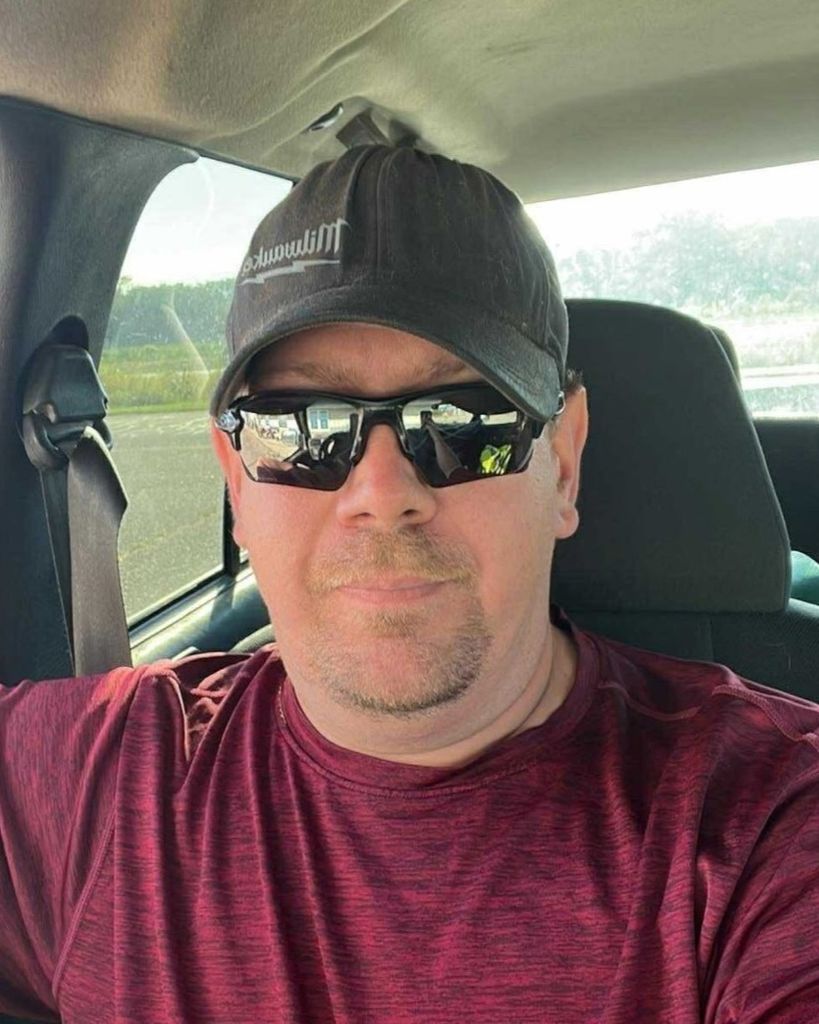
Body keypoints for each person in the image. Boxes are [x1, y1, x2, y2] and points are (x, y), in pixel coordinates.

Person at [1, 145, 818, 1024]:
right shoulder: (94, 778)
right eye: (301, 429)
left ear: (563, 462)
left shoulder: (765, 821)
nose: (382, 495)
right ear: (237, 480)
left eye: (463, 423)